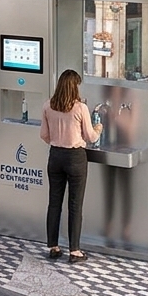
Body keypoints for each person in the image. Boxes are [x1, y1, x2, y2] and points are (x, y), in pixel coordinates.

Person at [40, 69, 102, 263]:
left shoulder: (48, 106)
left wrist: (57, 139)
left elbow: (43, 135)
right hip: (75, 157)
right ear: (74, 86)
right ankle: (74, 251)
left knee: (54, 202)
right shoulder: (80, 108)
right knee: (75, 205)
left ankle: (53, 246)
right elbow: (91, 137)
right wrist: (99, 128)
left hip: (55, 156)